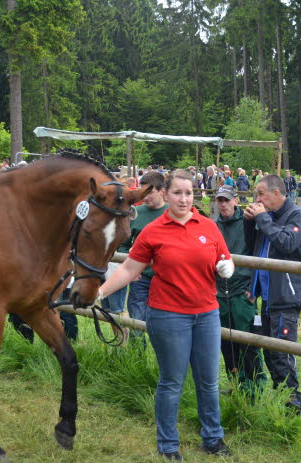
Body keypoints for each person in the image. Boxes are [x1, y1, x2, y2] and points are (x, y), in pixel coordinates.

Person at [98, 169, 232, 460]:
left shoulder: (208, 226)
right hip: (169, 316)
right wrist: (101, 292)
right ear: (166, 194)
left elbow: (224, 258)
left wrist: (226, 267)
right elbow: (130, 269)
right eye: (177, 193)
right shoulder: (153, 231)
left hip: (207, 314)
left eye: (189, 193)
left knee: (209, 381)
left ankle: (213, 438)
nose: (184, 199)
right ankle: (168, 445)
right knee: (172, 382)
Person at [244, 174, 301, 414]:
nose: (257, 198)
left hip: (287, 294)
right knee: (269, 349)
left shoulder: (297, 215)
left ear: (276, 193)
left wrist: (262, 217)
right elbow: (254, 248)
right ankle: (280, 396)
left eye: (261, 193)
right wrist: (249, 221)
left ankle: (293, 402)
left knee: (282, 349)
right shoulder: (268, 218)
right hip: (267, 294)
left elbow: (286, 243)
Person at [214, 185, 266, 396]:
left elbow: (259, 254)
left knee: (247, 339)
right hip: (218, 293)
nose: (223, 204)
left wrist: (255, 288)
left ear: (236, 200)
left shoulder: (248, 224)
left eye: (227, 200)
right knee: (225, 340)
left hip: (242, 291)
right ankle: (236, 382)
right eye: (220, 200)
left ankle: (256, 384)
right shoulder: (212, 226)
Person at [117, 171, 168, 346]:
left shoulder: (172, 213)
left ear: (162, 191)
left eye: (149, 192)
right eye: (142, 191)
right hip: (140, 279)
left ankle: (165, 364)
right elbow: (122, 244)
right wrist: (130, 262)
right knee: (137, 322)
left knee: (165, 325)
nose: (144, 196)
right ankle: (138, 362)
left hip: (166, 280)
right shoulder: (135, 213)